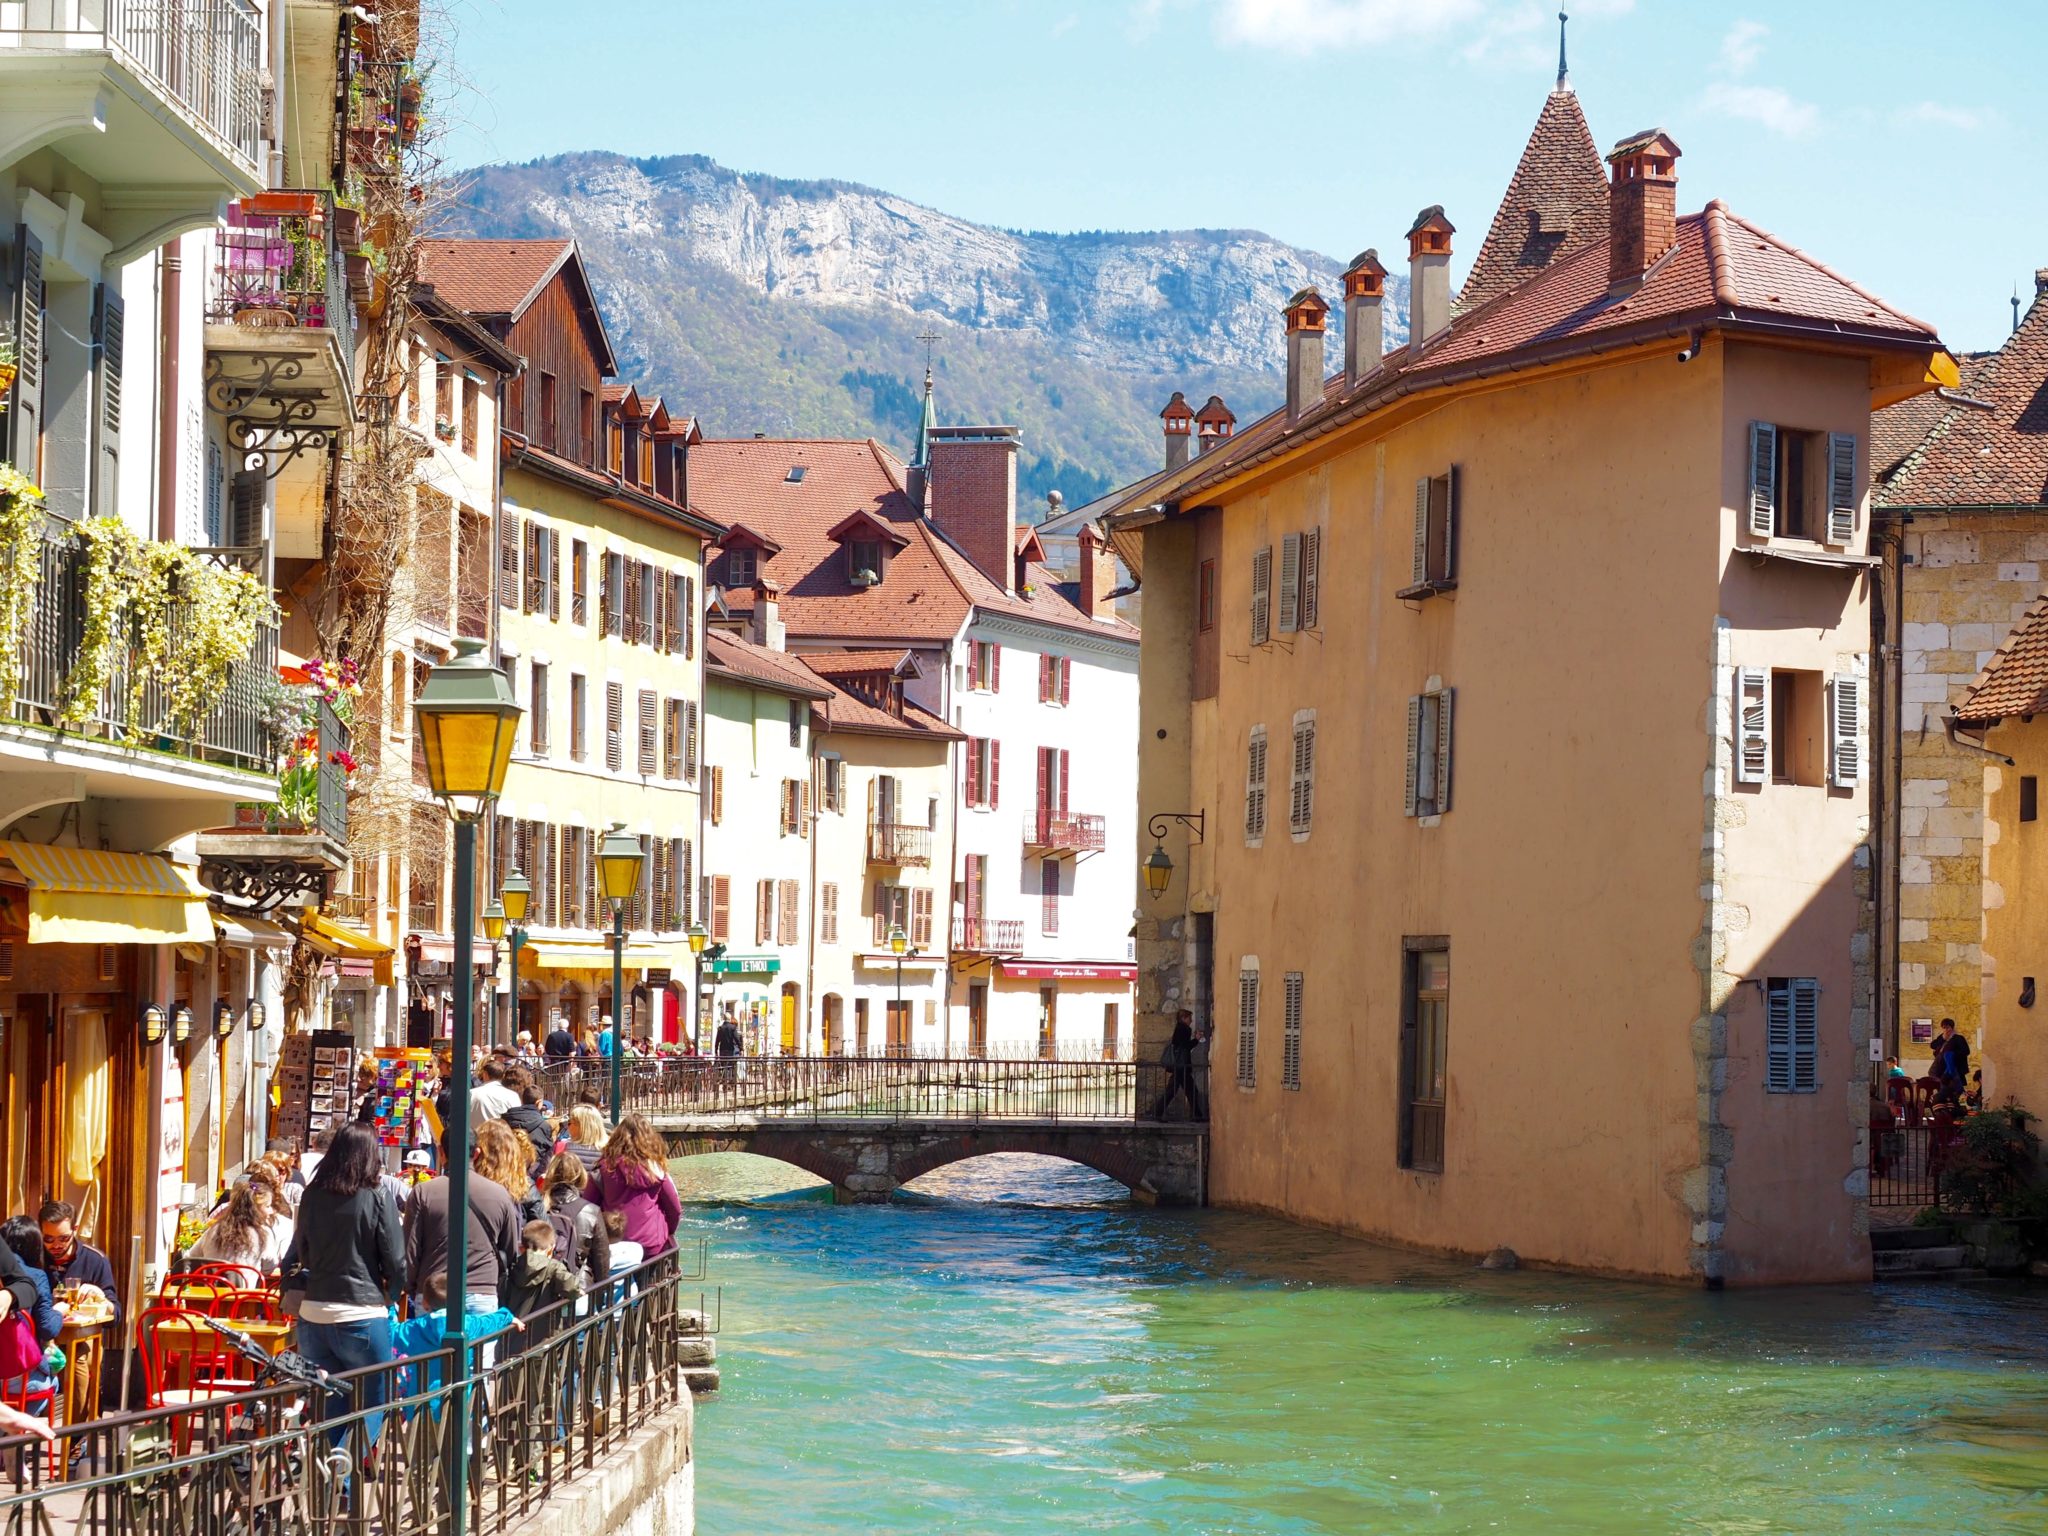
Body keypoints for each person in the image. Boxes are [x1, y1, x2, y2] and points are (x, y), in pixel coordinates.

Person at [278, 1121, 405, 1447]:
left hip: (314, 1312)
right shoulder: (377, 1195)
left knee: (330, 1401)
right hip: (361, 1311)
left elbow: (301, 1250)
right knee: (377, 1395)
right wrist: (390, 1296)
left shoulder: (312, 1194)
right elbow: (395, 1258)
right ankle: (342, 1476)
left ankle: (328, 1481)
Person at [403, 1131, 524, 1315]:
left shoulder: (423, 1193)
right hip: (483, 1292)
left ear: (441, 1152)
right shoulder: (500, 1194)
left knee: (434, 1344)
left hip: (434, 1291)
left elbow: (410, 1250)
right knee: (481, 1343)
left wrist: (414, 1288)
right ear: (476, 1153)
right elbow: (510, 1250)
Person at [389, 1270, 520, 1399]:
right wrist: (508, 1317)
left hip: (422, 1403)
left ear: (425, 1303)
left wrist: (390, 1305)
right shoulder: (467, 1324)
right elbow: (490, 1322)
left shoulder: (416, 1328)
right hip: (460, 1399)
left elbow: (392, 1332)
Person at [584, 1112, 680, 1260]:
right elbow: (674, 1209)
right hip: (652, 1245)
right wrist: (668, 1232)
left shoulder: (604, 1168)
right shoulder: (656, 1170)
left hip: (615, 1243)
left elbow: (588, 1206)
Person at [1, 1219, 65, 1407]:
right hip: (19, 1374)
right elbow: (47, 1328)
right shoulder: (35, 1276)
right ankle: (18, 1433)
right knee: (52, 1382)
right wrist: (59, 1312)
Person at [188, 1174, 295, 1275]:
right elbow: (269, 1266)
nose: (271, 1211)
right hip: (244, 1293)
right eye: (267, 1206)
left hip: (213, 1291)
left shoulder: (214, 1229)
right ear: (255, 1209)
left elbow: (191, 1256)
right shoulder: (262, 1234)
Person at [38, 1201, 119, 1332]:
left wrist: (100, 1297)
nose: (56, 1245)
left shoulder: (95, 1259)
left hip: (82, 1339)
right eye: (48, 1239)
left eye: (63, 1238)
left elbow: (115, 1316)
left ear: (75, 1229)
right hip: (42, 1339)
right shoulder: (35, 1257)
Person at [540, 1153, 611, 1290]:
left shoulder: (539, 1206)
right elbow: (602, 1265)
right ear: (579, 1175)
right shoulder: (591, 1211)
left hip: (541, 1292)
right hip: (577, 1289)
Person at [504, 1219, 583, 1324]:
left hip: (515, 1331)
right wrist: (577, 1291)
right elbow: (571, 1286)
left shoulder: (513, 1266)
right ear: (551, 1248)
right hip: (544, 1332)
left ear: (521, 1248)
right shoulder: (553, 1267)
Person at [1150, 1010, 1204, 1122]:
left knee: (1189, 1091)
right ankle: (1157, 1113)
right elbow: (1186, 1047)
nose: (1191, 1020)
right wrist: (1196, 1039)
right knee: (1175, 1091)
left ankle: (1197, 1116)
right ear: (1183, 1018)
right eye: (1189, 1018)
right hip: (1181, 1066)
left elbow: (1180, 1045)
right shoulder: (1184, 1029)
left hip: (1180, 1066)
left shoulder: (1180, 1029)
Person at [501, 1068, 555, 1172]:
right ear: (539, 1102)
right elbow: (546, 1152)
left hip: (508, 1167)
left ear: (522, 1100)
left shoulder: (506, 1118)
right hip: (533, 1170)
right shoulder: (544, 1125)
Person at [467, 1057, 520, 1129]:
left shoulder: (471, 1094)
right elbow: (516, 1119)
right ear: (503, 1075)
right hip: (502, 1137)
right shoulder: (512, 1096)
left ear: (485, 1074)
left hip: (476, 1136)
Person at [562, 1104, 609, 1174]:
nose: (568, 1127)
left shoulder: (562, 1148)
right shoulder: (611, 1152)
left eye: (569, 1123)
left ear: (581, 1127)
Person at [1934, 1018, 1970, 1102]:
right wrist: (1943, 1038)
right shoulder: (1942, 1038)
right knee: (1944, 1093)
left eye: (1947, 1027)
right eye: (1944, 1027)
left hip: (1955, 1069)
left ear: (1952, 1028)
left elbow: (1966, 1051)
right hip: (1942, 1071)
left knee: (1954, 1094)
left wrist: (1952, 1055)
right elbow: (1933, 1045)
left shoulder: (1958, 1038)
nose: (1946, 1030)